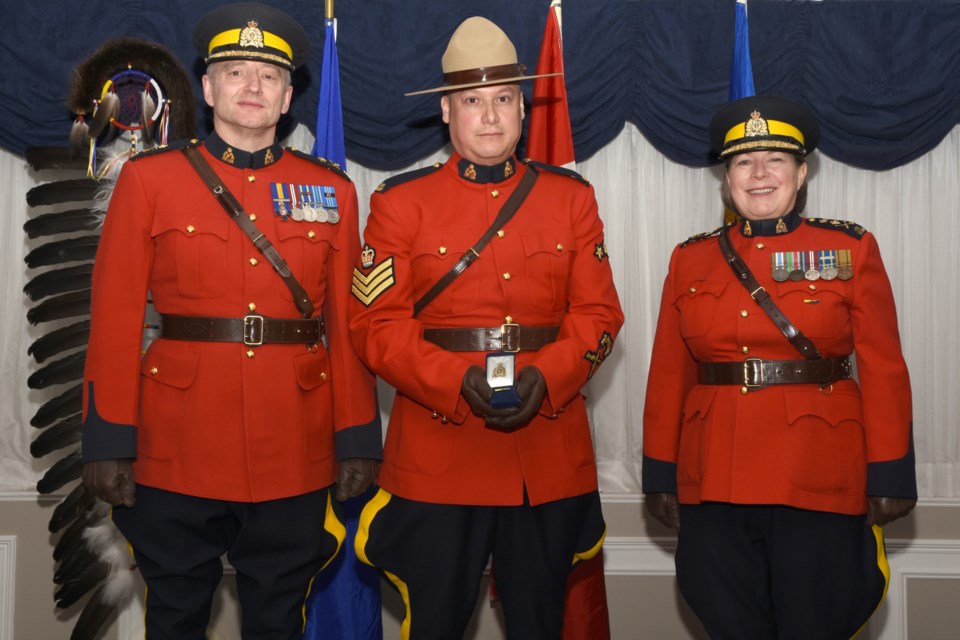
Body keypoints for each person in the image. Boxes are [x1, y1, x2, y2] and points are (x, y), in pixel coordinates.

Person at [78, 3, 382, 638]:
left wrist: (356, 434)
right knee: (176, 615)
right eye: (236, 71)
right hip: (174, 446)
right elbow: (113, 319)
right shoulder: (150, 180)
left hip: (291, 443)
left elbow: (347, 325)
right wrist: (108, 440)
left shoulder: (332, 192)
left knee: (278, 618)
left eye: (269, 76)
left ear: (289, 97)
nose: (252, 87)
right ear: (209, 86)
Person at [348, 16, 623, 640]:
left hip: (546, 451)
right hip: (443, 450)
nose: (491, 116)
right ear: (447, 110)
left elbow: (600, 314)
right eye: (473, 101)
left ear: (523, 107)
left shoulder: (570, 199)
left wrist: (549, 375)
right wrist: (453, 378)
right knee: (435, 626)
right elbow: (374, 327)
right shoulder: (399, 204)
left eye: (503, 99)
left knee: (541, 626)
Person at [642, 95, 917, 639]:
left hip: (816, 472)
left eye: (776, 159)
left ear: (802, 172)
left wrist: (890, 472)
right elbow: (669, 372)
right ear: (726, 179)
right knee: (727, 618)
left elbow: (885, 369)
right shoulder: (689, 259)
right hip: (713, 475)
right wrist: (659, 472)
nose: (759, 173)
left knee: (816, 621)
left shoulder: (849, 249)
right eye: (744, 162)